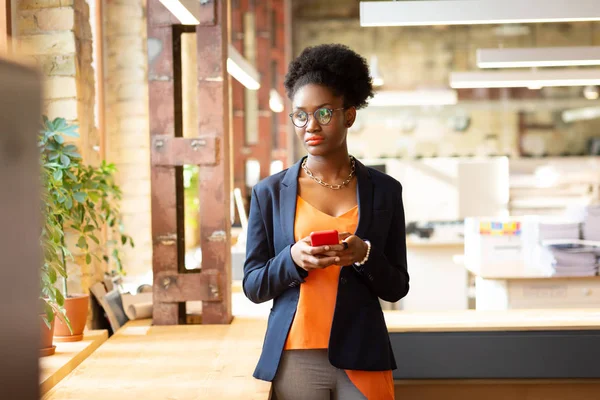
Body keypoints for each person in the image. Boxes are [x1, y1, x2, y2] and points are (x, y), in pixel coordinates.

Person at [243, 43, 410, 400]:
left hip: (364, 352)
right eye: (300, 115)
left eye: (324, 113)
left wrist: (365, 254)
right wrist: (292, 259)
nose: (310, 125)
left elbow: (396, 287)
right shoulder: (269, 193)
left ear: (349, 115)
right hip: (294, 354)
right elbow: (253, 285)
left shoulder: (386, 191)